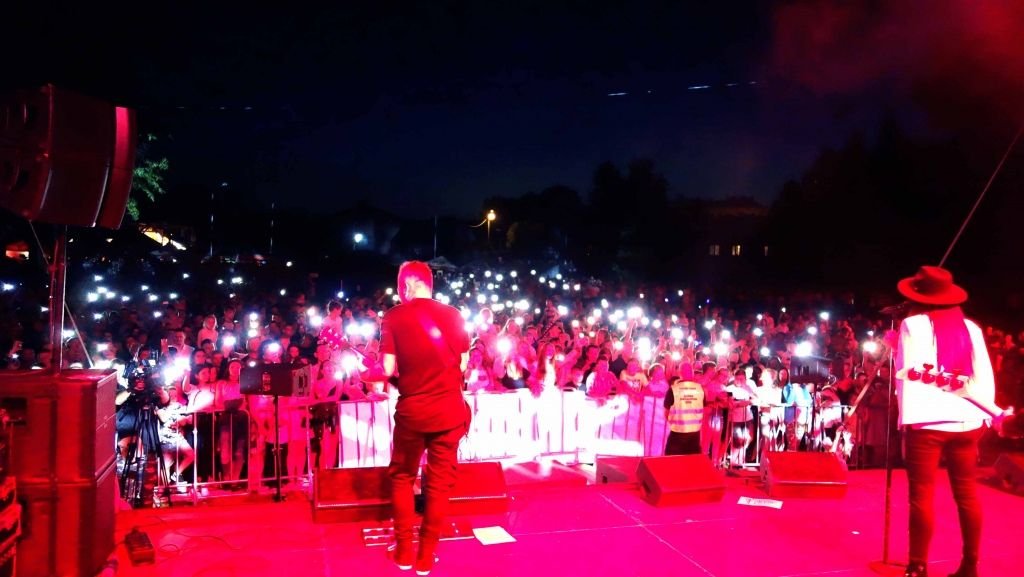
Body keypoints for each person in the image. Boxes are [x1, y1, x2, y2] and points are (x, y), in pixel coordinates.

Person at [894, 266, 1007, 577]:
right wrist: (987, 413)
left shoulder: (911, 325)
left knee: (921, 496)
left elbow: (910, 373)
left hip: (928, 421)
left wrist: (906, 415)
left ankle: (917, 567)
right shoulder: (971, 327)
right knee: (967, 494)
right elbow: (983, 374)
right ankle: (970, 565)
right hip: (966, 421)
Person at [376, 261, 471, 575]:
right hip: (450, 412)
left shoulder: (394, 316)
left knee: (403, 478)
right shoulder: (454, 315)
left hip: (413, 413)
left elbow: (386, 369)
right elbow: (463, 365)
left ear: (406, 285)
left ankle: (404, 551)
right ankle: (426, 557)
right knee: (439, 485)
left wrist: (370, 374)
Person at [663, 363, 704, 455]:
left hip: (678, 431)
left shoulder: (673, 389)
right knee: (691, 460)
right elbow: (703, 408)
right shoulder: (700, 389)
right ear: (692, 373)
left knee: (673, 459)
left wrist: (672, 422)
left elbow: (666, 411)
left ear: (680, 373)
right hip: (695, 432)